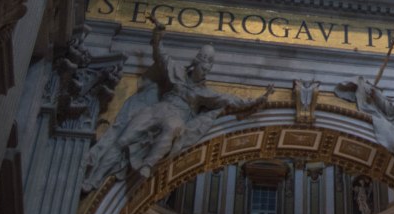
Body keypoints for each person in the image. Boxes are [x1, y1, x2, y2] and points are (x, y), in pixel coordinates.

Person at [82, 19, 270, 191]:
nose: (205, 69)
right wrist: (157, 36)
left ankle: (148, 163)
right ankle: (95, 179)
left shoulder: (206, 93)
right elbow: (160, 55)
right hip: (159, 108)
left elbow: (233, 101)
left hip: (177, 116)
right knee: (123, 140)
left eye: (208, 66)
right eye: (203, 64)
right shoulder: (176, 71)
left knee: (174, 128)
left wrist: (258, 100)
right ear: (196, 62)